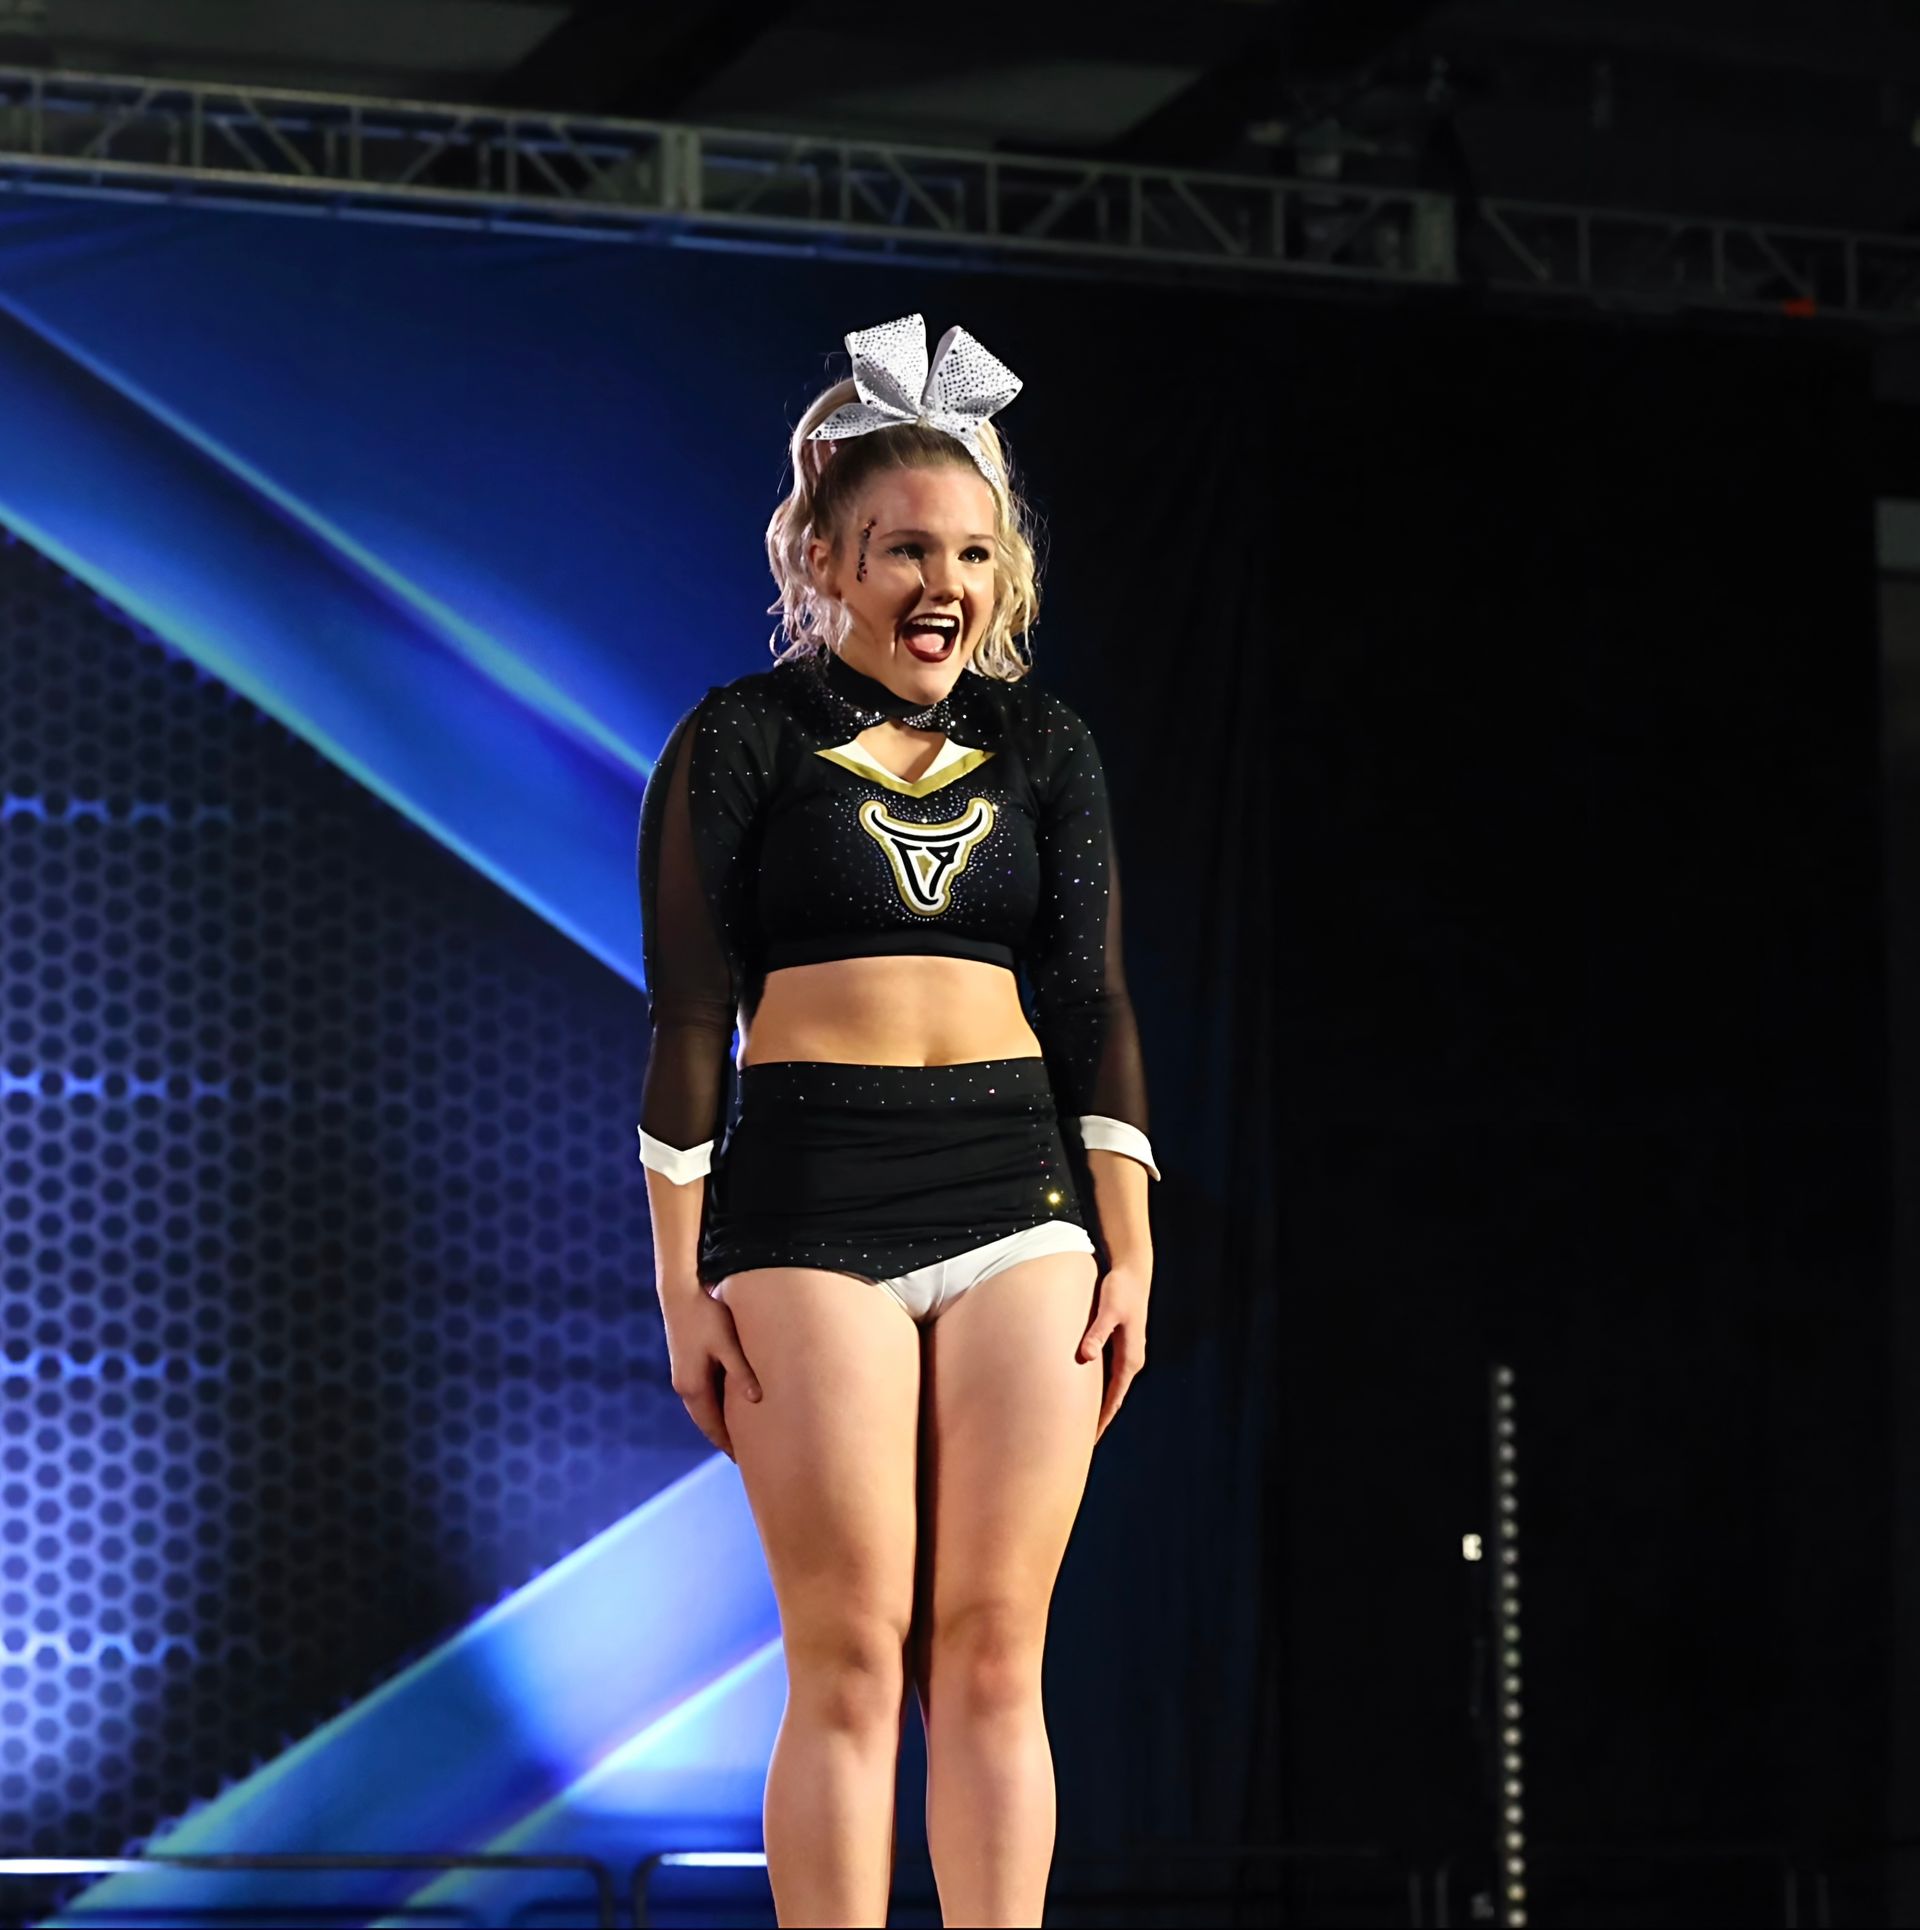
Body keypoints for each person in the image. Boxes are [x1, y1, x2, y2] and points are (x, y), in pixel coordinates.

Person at [635, 312, 1159, 1929]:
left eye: (975, 554)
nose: (945, 584)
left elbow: (1093, 1006)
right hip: (807, 1204)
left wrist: (1127, 1248)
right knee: (853, 1648)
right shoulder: (738, 738)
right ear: (826, 556)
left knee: (996, 1649)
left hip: (1023, 1199)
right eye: (904, 550)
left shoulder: (1048, 745)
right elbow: (687, 1022)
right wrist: (681, 1289)